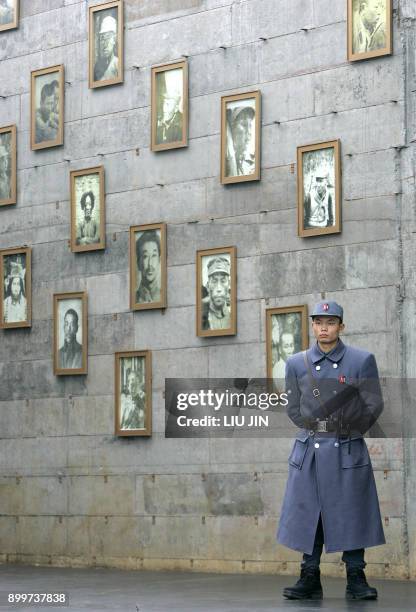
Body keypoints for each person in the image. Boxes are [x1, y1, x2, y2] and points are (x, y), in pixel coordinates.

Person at [277, 301, 385, 601]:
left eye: (331, 322)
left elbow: (374, 404)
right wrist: (318, 429)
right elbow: (294, 408)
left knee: (351, 511)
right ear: (312, 326)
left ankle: (356, 577)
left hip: (347, 448)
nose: (324, 327)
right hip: (310, 449)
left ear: (341, 326)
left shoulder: (362, 360)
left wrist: (345, 429)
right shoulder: (296, 363)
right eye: (318, 322)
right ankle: (309, 575)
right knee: (311, 513)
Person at [201, 256, 231, 331]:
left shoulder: (234, 315)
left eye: (223, 281)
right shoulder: (201, 316)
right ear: (208, 286)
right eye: (214, 281)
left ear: (229, 284)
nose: (219, 289)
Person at [226, 105, 255, 177]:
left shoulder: (253, 164)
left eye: (250, 126)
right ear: (232, 128)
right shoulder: (225, 162)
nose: (249, 132)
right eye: (244, 125)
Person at [135, 231, 161, 304]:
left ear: (159, 261)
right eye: (145, 256)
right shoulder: (134, 299)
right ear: (138, 263)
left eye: (154, 256)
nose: (150, 264)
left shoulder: (164, 295)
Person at [94, 14, 119, 82]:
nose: (104, 44)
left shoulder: (117, 64)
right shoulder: (97, 67)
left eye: (108, 37)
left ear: (114, 39)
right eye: (102, 38)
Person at [35, 80, 59, 144]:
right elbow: (45, 129)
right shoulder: (37, 115)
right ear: (41, 103)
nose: (50, 107)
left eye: (52, 103)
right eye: (48, 104)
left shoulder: (53, 113)